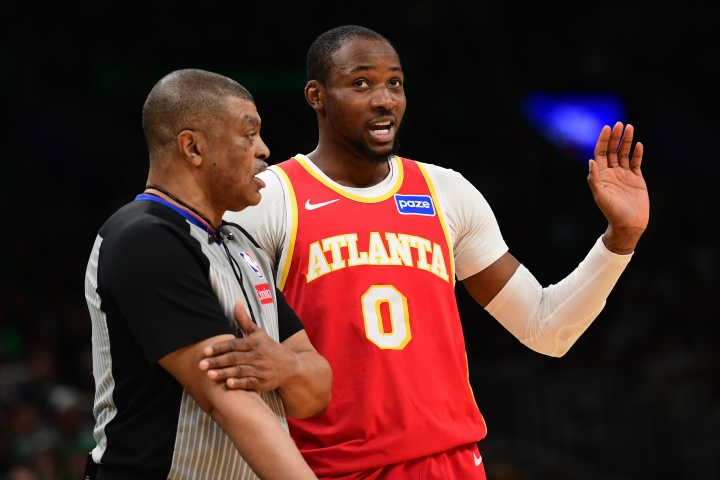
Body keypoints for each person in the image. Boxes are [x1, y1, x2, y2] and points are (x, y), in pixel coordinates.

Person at [207, 25, 650, 480]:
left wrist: (620, 239)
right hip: (330, 468)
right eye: (361, 83)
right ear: (316, 96)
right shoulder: (269, 200)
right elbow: (233, 365)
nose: (385, 99)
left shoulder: (446, 192)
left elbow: (547, 329)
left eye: (394, 83)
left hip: (452, 464)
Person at [83, 68, 332, 480]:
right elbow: (229, 402)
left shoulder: (243, 244)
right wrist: (292, 368)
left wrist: (286, 366)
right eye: (249, 134)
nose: (264, 150)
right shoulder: (143, 238)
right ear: (193, 147)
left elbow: (316, 394)